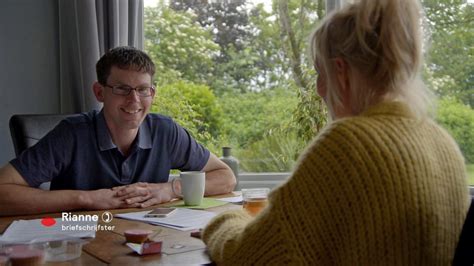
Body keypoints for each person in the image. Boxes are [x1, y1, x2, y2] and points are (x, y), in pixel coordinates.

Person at [202, 0, 470, 264]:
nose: (320, 90)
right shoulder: (444, 144)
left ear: (340, 72)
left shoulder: (348, 145)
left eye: (321, 74)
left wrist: (224, 219)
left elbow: (248, 256)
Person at [0, 46, 236, 216]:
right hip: (78, 236)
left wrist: (171, 189)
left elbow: (225, 177)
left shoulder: (166, 131)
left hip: (146, 241)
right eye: (122, 88)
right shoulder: (71, 134)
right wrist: (87, 198)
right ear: (100, 92)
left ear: (152, 94)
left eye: (143, 89)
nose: (134, 100)